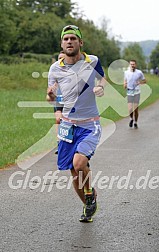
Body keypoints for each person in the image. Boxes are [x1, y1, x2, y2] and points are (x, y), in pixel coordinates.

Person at [47, 25, 106, 222]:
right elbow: (55, 95)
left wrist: (99, 87)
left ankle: (89, 193)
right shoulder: (55, 68)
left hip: (90, 124)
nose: (69, 41)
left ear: (80, 42)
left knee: (79, 163)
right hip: (67, 126)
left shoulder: (93, 61)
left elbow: (102, 78)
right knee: (74, 173)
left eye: (73, 38)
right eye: (66, 39)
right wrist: (54, 105)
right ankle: (88, 205)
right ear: (62, 44)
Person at [124, 60, 146, 129]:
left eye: (133, 64)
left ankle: (136, 122)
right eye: (131, 64)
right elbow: (125, 80)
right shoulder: (126, 72)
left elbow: (144, 81)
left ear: (135, 65)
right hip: (129, 92)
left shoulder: (139, 72)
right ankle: (131, 119)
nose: (132, 65)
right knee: (130, 109)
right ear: (129, 65)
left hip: (136, 92)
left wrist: (140, 82)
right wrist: (124, 84)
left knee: (135, 109)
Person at [53, 51, 65, 154]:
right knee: (58, 120)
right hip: (58, 100)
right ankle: (59, 143)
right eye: (59, 58)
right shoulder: (54, 70)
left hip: (70, 102)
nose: (60, 60)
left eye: (63, 58)